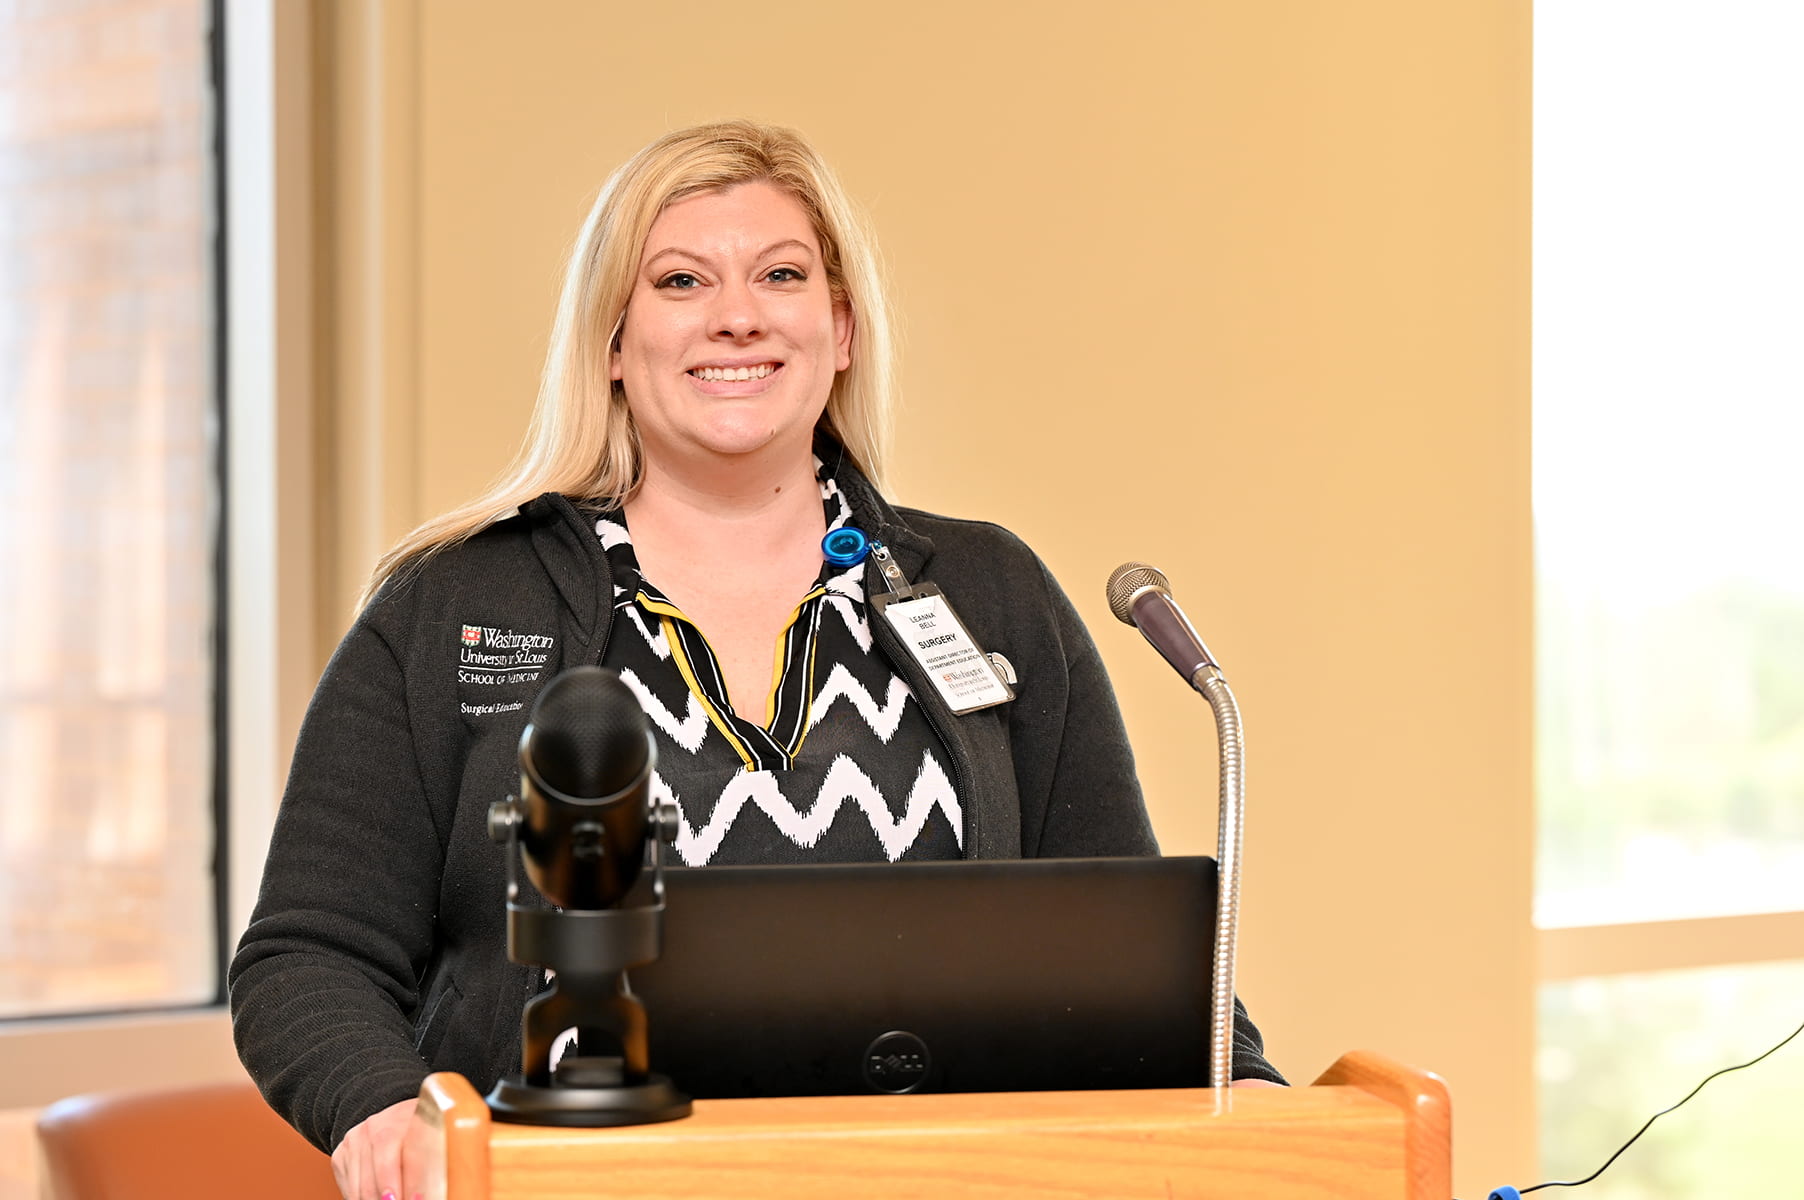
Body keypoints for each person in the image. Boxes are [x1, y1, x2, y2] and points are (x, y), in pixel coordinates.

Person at [230, 120, 1284, 1200]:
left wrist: (1244, 1089)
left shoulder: (990, 593)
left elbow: (1119, 946)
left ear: (839, 331)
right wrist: (378, 1109)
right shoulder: (453, 604)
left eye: (780, 275)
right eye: (680, 281)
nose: (736, 314)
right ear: (610, 340)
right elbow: (309, 955)